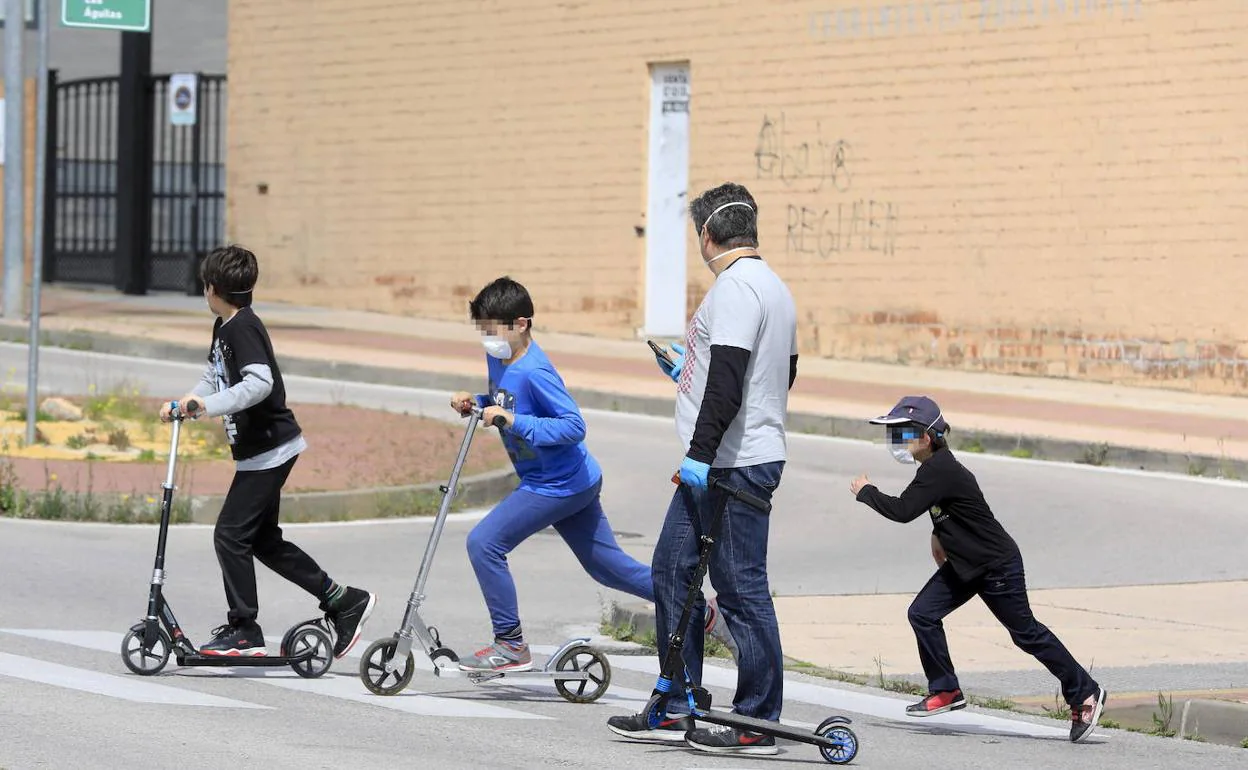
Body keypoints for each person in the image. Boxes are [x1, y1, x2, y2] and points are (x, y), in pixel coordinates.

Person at [451, 277, 738, 672]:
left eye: (492, 329)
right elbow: (504, 404)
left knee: (484, 543)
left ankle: (510, 644)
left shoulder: (535, 370)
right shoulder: (498, 359)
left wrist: (512, 420)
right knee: (608, 568)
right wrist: (478, 403)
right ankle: (704, 612)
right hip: (572, 481)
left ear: (521, 324)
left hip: (557, 485)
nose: (486, 339)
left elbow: (572, 426)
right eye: (481, 330)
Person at [607, 182, 799, 756]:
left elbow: (731, 376)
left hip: (733, 465)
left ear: (707, 236)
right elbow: (779, 374)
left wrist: (700, 449)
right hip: (724, 458)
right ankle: (678, 700)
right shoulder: (774, 289)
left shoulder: (737, 288)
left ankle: (757, 719)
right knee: (671, 568)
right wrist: (685, 375)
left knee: (740, 589)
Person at [849, 395, 1107, 743]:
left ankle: (1085, 692)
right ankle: (946, 690)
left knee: (1026, 633)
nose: (895, 442)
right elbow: (950, 508)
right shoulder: (934, 468)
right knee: (922, 613)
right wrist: (939, 534)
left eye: (901, 434)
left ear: (925, 437)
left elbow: (903, 509)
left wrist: (866, 491)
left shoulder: (939, 470)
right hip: (965, 564)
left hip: (994, 565)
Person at [159, 245, 376, 659]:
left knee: (229, 534)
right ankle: (345, 601)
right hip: (263, 451)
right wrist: (185, 402)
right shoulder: (226, 326)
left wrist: (209, 406)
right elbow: (215, 374)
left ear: (213, 289)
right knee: (263, 541)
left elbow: (258, 382)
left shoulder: (243, 328)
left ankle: (244, 627)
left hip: (271, 449)